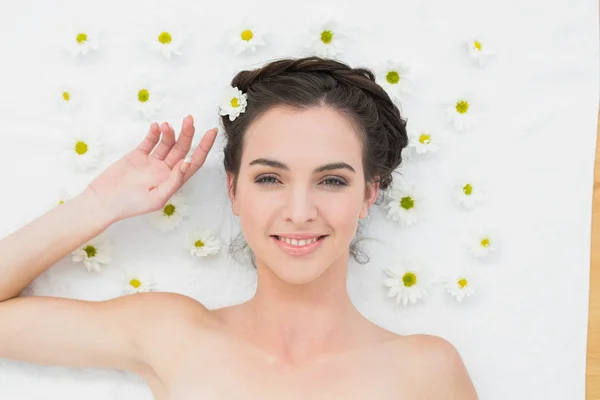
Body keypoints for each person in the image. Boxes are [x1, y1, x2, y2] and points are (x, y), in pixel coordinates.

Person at [0, 56, 478, 399]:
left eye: (331, 180)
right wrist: (96, 205)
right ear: (233, 189)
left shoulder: (426, 370)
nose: (299, 211)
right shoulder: (171, 334)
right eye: (269, 178)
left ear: (369, 193)